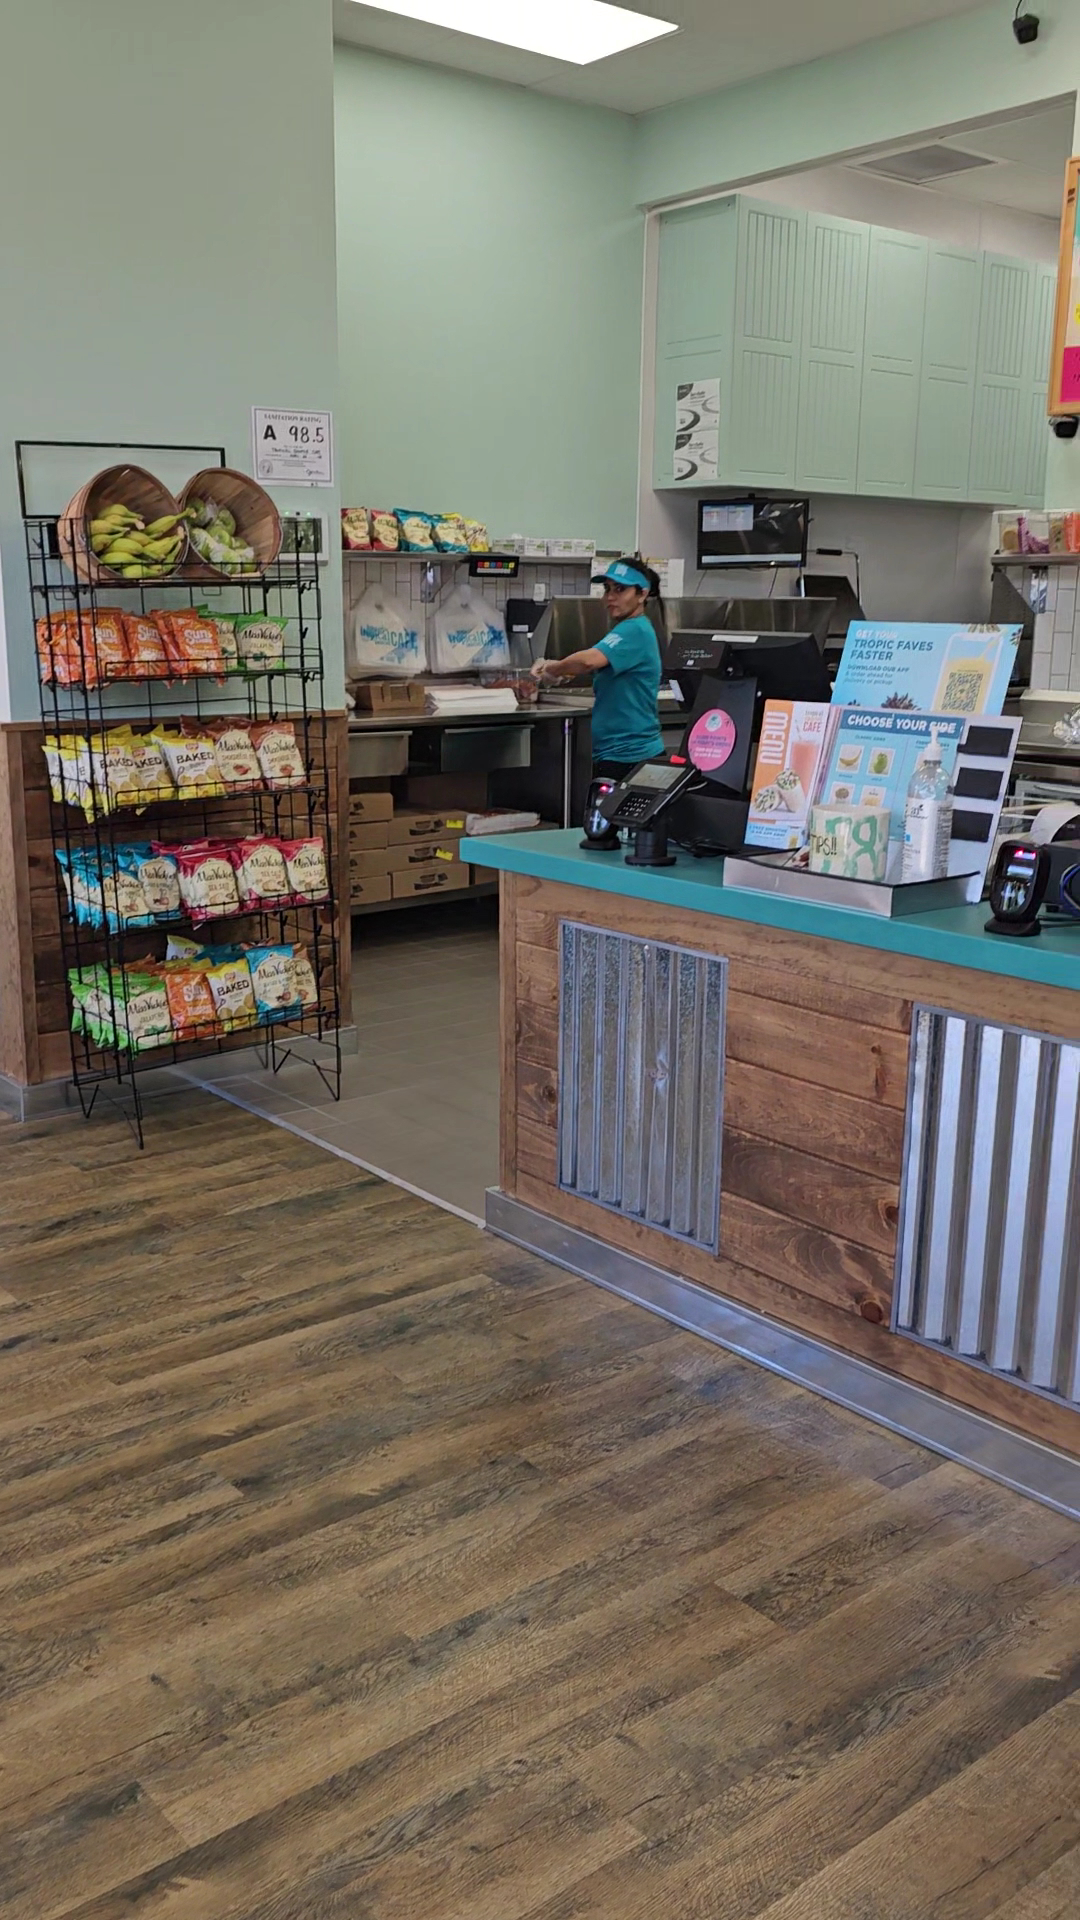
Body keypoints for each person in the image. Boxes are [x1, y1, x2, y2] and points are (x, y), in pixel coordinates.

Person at [531, 557, 665, 778]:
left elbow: (588, 661)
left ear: (642, 594)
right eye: (607, 589)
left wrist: (552, 670)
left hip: (631, 756)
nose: (610, 597)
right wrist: (565, 671)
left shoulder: (635, 629)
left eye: (620, 589)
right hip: (616, 753)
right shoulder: (626, 629)